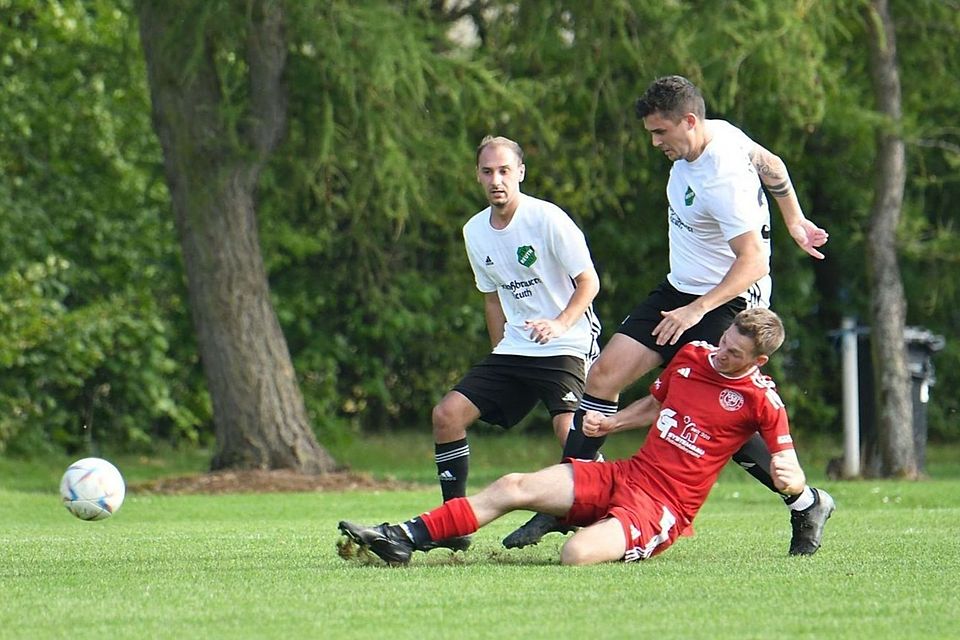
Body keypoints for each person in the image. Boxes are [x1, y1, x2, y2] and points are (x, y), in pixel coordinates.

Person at [503, 75, 834, 555]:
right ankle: (564, 507)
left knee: (719, 419)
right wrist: (795, 220)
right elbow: (772, 164)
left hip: (728, 300)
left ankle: (805, 502)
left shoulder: (721, 177)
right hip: (680, 288)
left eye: (661, 133)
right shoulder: (721, 134)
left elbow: (753, 262)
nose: (655, 142)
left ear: (689, 121)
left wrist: (694, 311)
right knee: (603, 375)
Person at [338, 308, 821, 566]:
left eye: (734, 354)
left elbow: (789, 468)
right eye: (724, 342)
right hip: (627, 474)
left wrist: (792, 485)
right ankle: (403, 538)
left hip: (663, 508)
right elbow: (656, 404)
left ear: (757, 362)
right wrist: (613, 424)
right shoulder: (694, 354)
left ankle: (615, 533)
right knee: (511, 486)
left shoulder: (763, 400)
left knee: (575, 555)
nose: (721, 354)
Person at [424, 136, 602, 551]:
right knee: (446, 414)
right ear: (478, 177)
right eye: (488, 172)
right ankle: (455, 522)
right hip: (515, 348)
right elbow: (491, 298)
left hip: (567, 343)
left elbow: (589, 282)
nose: (496, 180)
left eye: (504, 171)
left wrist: (559, 324)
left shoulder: (547, 219)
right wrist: (497, 352)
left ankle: (612, 514)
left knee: (570, 433)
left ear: (520, 172)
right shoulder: (474, 231)